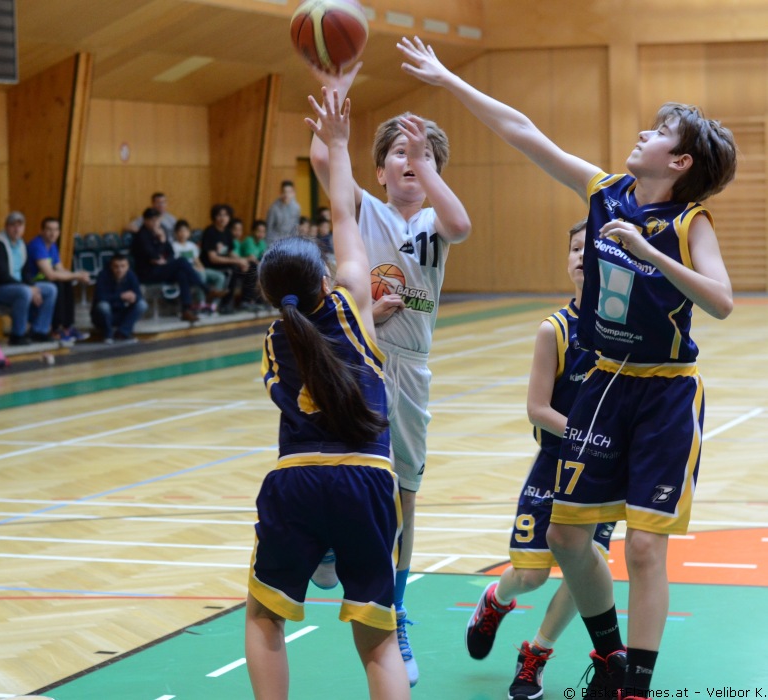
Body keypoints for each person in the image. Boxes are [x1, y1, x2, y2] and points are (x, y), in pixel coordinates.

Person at [397, 36, 737, 700]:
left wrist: (650, 252)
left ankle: (634, 686)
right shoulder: (605, 191)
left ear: (679, 161)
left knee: (644, 547)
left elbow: (721, 302)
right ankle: (609, 655)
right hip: (604, 383)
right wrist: (446, 79)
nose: (641, 133)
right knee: (564, 535)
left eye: (657, 132)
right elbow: (524, 132)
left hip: (666, 391)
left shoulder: (690, 222)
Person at [309, 62, 472, 687]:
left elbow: (462, 224)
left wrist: (427, 165)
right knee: (344, 466)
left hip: (413, 373)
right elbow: (324, 158)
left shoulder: (435, 223)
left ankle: (397, 610)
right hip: (361, 361)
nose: (411, 161)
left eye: (423, 155)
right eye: (400, 153)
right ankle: (329, 543)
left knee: (404, 495)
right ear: (378, 171)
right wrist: (338, 90)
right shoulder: (367, 210)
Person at [245, 87, 409, 700]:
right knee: (379, 643)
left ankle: (320, 560)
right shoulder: (352, 302)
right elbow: (343, 215)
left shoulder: (274, 339)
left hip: (296, 482)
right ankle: (332, 560)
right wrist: (338, 142)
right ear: (324, 278)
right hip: (366, 480)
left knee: (264, 620)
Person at [465, 220, 616, 700]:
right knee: (531, 576)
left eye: (590, 249)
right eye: (574, 249)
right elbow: (537, 409)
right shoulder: (554, 330)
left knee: (584, 569)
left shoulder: (627, 333)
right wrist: (587, 438)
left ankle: (536, 654)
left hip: (603, 474)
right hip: (556, 465)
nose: (580, 256)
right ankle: (497, 599)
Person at [0, 211, 57, 346]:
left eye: (20, 226)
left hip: (17, 286)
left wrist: (32, 286)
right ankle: (18, 335)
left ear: (24, 228)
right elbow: (2, 276)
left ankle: (39, 331)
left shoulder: (22, 246)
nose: (16, 229)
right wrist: (28, 288)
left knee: (50, 289)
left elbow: (26, 273)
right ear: (6, 227)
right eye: (13, 226)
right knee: (24, 292)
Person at [130, 207, 214, 323]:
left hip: (160, 268)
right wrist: (162, 242)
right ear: (145, 221)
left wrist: (165, 260)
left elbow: (171, 253)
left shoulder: (160, 231)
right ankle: (205, 289)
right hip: (147, 273)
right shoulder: (141, 236)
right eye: (152, 220)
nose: (155, 223)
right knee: (181, 261)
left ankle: (186, 310)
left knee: (181, 273)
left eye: (157, 220)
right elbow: (153, 255)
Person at [27, 216, 91, 344]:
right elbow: (50, 275)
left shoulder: (52, 246)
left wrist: (78, 275)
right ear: (41, 231)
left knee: (66, 281)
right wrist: (76, 275)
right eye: (49, 229)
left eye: (56, 230)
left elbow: (60, 269)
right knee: (57, 284)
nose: (53, 233)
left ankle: (67, 327)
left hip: (44, 280)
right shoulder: (37, 245)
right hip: (31, 282)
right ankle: (56, 329)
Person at [200, 204, 257, 312]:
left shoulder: (227, 232)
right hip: (211, 265)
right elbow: (213, 258)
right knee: (233, 269)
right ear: (214, 217)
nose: (223, 218)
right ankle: (225, 304)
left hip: (226, 263)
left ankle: (246, 301)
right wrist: (237, 262)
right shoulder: (210, 232)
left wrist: (242, 261)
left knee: (252, 266)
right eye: (219, 215)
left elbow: (230, 252)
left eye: (226, 215)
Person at [171, 219, 226, 312]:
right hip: (186, 271)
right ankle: (201, 303)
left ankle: (213, 304)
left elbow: (197, 260)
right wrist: (196, 269)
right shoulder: (173, 246)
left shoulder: (192, 245)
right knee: (201, 275)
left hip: (196, 268)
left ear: (189, 233)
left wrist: (201, 267)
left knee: (220, 276)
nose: (183, 233)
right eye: (180, 231)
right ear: (176, 233)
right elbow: (177, 263)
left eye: (185, 231)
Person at [91, 253, 147, 344]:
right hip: (102, 315)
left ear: (128, 266)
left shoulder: (131, 276)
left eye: (123, 266)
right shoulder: (103, 276)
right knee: (103, 306)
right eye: (116, 267)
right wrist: (120, 296)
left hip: (121, 312)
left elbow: (138, 295)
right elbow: (100, 297)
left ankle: (122, 333)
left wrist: (134, 297)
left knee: (142, 304)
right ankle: (107, 335)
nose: (119, 270)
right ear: (111, 267)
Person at [265, 179, 301, 245]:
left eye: (289, 192)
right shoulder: (273, 208)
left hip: (289, 241)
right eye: (284, 192)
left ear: (293, 193)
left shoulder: (296, 207)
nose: (286, 194)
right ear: (281, 192)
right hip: (275, 241)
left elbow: (296, 227)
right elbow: (269, 228)